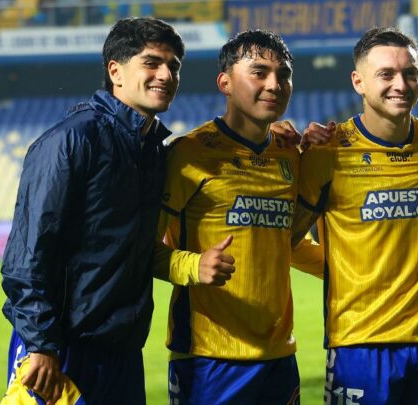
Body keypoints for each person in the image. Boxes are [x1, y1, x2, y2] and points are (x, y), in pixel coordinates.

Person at [0, 17, 194, 405]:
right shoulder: (70, 141)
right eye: (152, 63)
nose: (166, 75)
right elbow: (27, 255)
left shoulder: (156, 153)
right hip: (59, 349)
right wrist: (41, 344)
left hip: (122, 353)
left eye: (174, 66)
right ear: (115, 71)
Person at [290, 27, 418, 405]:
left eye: (410, 73)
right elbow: (285, 238)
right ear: (358, 81)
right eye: (386, 74)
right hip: (360, 345)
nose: (400, 85)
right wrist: (337, 267)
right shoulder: (327, 152)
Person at [157, 29, 322, 405]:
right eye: (259, 72)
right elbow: (140, 249)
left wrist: (356, 269)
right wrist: (194, 265)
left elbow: (287, 242)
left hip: (279, 355)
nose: (274, 84)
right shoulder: (188, 154)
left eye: (283, 75)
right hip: (209, 358)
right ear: (225, 83)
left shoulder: (290, 154)